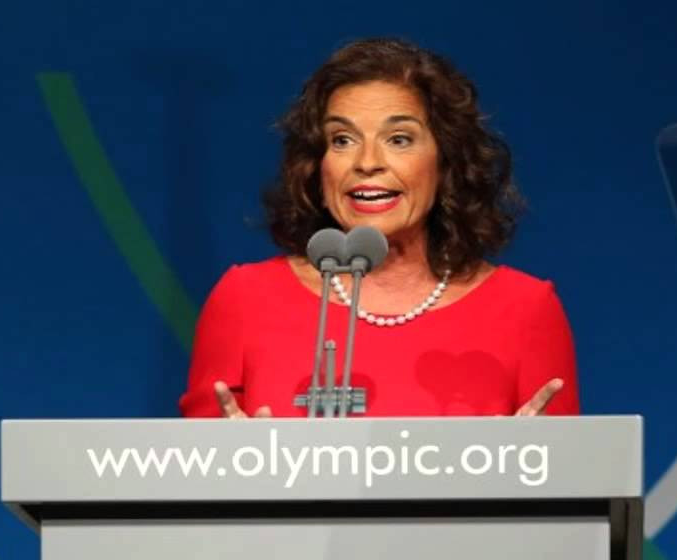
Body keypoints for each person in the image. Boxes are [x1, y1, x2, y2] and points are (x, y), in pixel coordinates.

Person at [179, 38, 579, 419]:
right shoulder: (245, 300)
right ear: (317, 166)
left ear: (445, 162)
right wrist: (234, 457)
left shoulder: (526, 310)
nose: (367, 162)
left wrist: (534, 457)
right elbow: (191, 463)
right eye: (342, 140)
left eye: (399, 139)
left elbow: (571, 465)